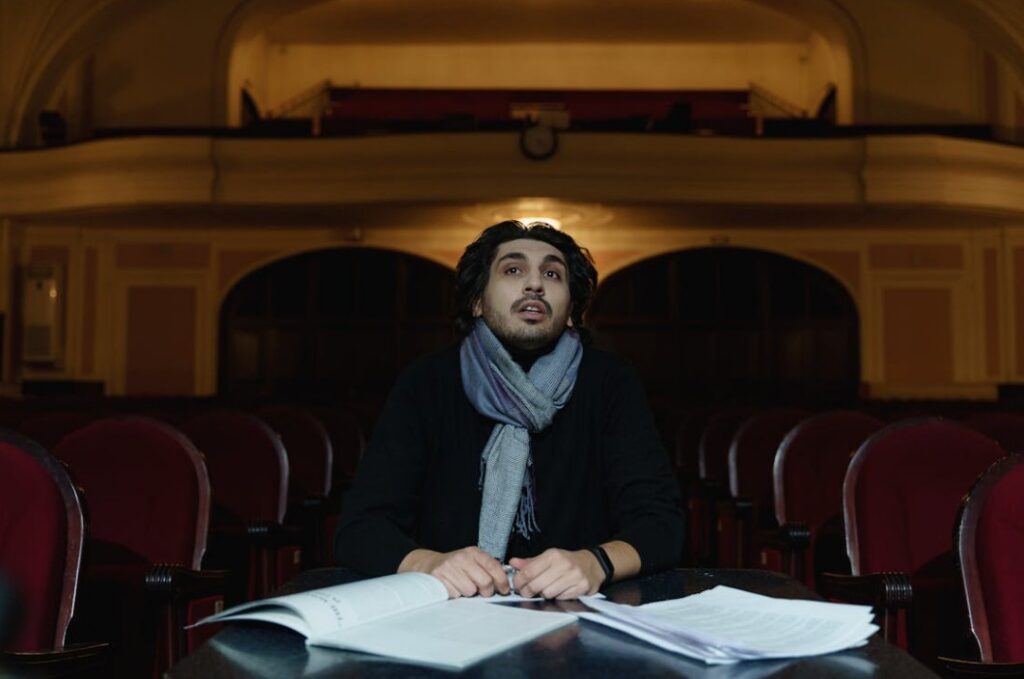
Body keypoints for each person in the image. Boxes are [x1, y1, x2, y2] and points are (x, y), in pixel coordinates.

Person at [334, 221, 683, 600]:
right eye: (513, 270)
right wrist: (429, 564)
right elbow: (360, 527)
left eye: (552, 273)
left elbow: (661, 523)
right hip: (452, 612)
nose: (535, 284)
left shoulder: (611, 381)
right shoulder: (427, 382)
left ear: (571, 311)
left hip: (579, 610)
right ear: (477, 302)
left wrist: (596, 562)